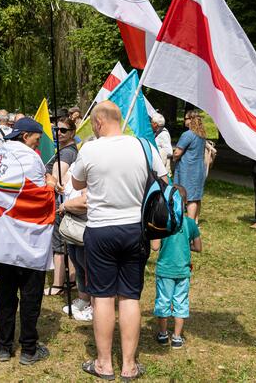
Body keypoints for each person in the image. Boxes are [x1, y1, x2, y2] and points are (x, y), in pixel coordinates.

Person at [72, 101, 167, 381]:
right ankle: (129, 365)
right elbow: (163, 179)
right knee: (129, 297)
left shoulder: (90, 148)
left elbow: (77, 184)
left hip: (101, 229)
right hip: (135, 228)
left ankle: (104, 363)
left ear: (99, 122)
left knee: (102, 297)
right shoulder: (143, 146)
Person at [0, 118, 58, 365]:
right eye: (37, 139)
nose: (38, 143)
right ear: (26, 136)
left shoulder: (0, 156)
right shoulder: (31, 158)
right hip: (30, 239)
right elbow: (39, 196)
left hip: (6, 239)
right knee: (30, 295)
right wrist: (50, 185)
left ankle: (3, 346)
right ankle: (29, 349)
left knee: (5, 294)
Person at [152, 189, 202, 350]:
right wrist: (186, 247)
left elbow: (155, 246)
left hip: (165, 270)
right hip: (183, 271)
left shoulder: (162, 221)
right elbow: (198, 247)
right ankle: (177, 337)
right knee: (181, 303)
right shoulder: (190, 223)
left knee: (163, 301)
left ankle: (162, 334)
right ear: (186, 203)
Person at [44, 117, 79, 297]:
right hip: (66, 203)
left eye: (63, 130)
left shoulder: (66, 153)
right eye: (56, 129)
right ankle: (72, 280)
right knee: (69, 243)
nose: (58, 133)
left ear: (72, 132)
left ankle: (58, 285)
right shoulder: (69, 150)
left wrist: (47, 178)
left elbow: (57, 179)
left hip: (60, 203)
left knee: (59, 245)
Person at [56, 169, 92, 321]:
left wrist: (65, 205)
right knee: (77, 262)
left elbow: (86, 200)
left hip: (85, 222)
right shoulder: (73, 165)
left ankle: (95, 304)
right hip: (72, 222)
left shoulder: (88, 167)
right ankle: (84, 299)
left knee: (88, 267)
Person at [173, 110, 207, 223]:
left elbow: (177, 152)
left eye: (186, 118)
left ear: (191, 120)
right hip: (199, 169)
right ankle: (196, 221)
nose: (184, 120)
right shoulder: (201, 134)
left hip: (187, 170)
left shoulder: (187, 134)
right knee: (196, 196)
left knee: (189, 197)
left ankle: (190, 223)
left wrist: (173, 157)